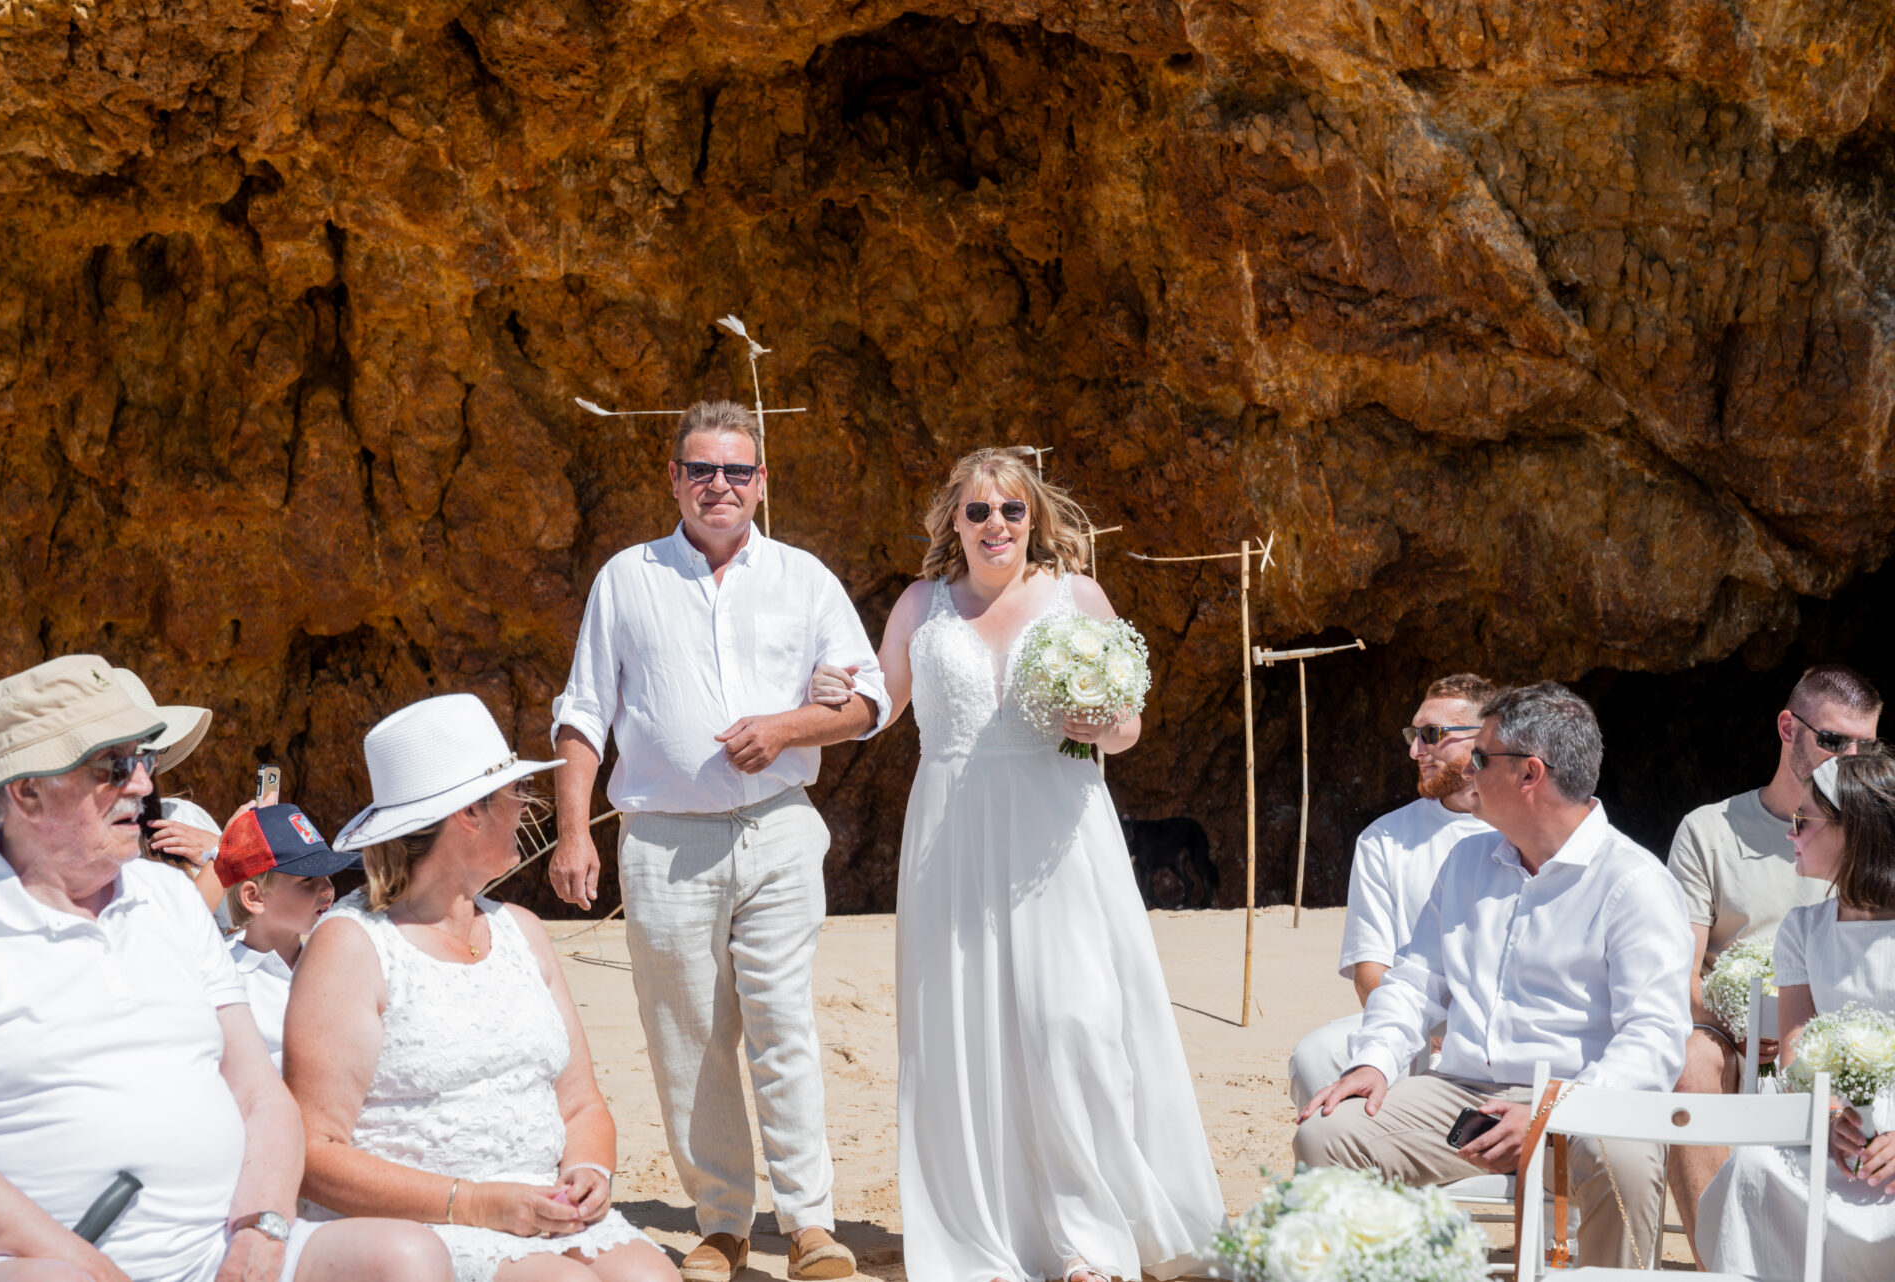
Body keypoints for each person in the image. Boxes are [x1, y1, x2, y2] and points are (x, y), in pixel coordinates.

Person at [811, 447, 1224, 1282]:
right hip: (953, 833)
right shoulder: (919, 605)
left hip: (1060, 826)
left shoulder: (1078, 597)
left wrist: (1100, 718)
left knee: (1073, 1023)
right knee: (967, 1033)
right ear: (952, 522)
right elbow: (879, 707)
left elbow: (1128, 726)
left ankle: (1088, 1239)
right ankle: (988, 1238)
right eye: (977, 511)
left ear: (1034, 519)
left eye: (1011, 511)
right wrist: (826, 691)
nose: (995, 526)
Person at [547, 401, 887, 1282]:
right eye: (702, 470)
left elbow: (869, 702)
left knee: (782, 1026)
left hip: (777, 831)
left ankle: (809, 1223)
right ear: (674, 479)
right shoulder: (626, 578)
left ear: (762, 482)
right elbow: (584, 710)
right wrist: (575, 831)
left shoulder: (805, 578)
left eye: (737, 471)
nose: (719, 486)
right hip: (662, 843)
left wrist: (786, 727)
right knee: (686, 1037)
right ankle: (723, 1221)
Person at [0, 655, 450, 1282]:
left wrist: (260, 1234)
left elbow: (261, 1096)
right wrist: (90, 1269)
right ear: (27, 791)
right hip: (48, 1262)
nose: (143, 785)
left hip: (221, 1247)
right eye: (113, 767)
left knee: (408, 1257)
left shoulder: (168, 898)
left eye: (143, 760)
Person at [1296, 682, 1693, 1270]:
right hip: (1464, 1101)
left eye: (1480, 758)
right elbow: (1412, 983)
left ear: (1530, 774)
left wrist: (1553, 1108)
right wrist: (1374, 1061)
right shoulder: (1466, 862)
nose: (1466, 769)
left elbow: (1654, 1037)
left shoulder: (1635, 883)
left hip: (1581, 1103)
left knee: (1623, 1156)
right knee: (1327, 1137)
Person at [286, 694, 674, 1282]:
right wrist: (475, 1203)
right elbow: (314, 1151)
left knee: (652, 1277)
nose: (524, 809)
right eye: (516, 795)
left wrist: (591, 1169)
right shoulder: (352, 945)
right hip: (422, 1222)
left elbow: (581, 1102)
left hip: (544, 1206)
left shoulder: (522, 931)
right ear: (470, 813)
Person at [1666, 665, 1881, 1260]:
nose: (1850, 757)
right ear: (1788, 727)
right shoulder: (1707, 831)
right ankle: (1720, 1256)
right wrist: (1743, 1024)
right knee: (1688, 1058)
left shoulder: (1877, 844)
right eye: (1835, 740)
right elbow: (1678, 975)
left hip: (1846, 1034)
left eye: (1866, 744)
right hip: (1731, 1036)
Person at [1699, 751, 1895, 1278]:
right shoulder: (1802, 929)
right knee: (1755, 1166)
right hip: (1828, 1116)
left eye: (1804, 820)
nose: (1791, 831)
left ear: (1858, 832)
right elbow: (1797, 1045)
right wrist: (1830, 1118)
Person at [1286, 674, 1496, 1110]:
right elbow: (1370, 970)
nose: (1414, 750)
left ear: (1485, 739)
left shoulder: (1522, 826)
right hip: (1414, 1027)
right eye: (1413, 734)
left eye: (1431, 735)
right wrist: (1430, 1031)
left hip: (1510, 1032)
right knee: (1314, 1058)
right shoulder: (1384, 839)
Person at [215, 803, 361, 1069]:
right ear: (254, 897)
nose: (328, 889)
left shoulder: (341, 961)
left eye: (327, 875)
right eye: (307, 880)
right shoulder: (224, 980)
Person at [114, 668, 225, 912]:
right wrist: (228, 856)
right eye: (126, 760)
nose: (144, 779)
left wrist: (223, 849)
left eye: (149, 755)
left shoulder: (182, 816)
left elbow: (252, 918)